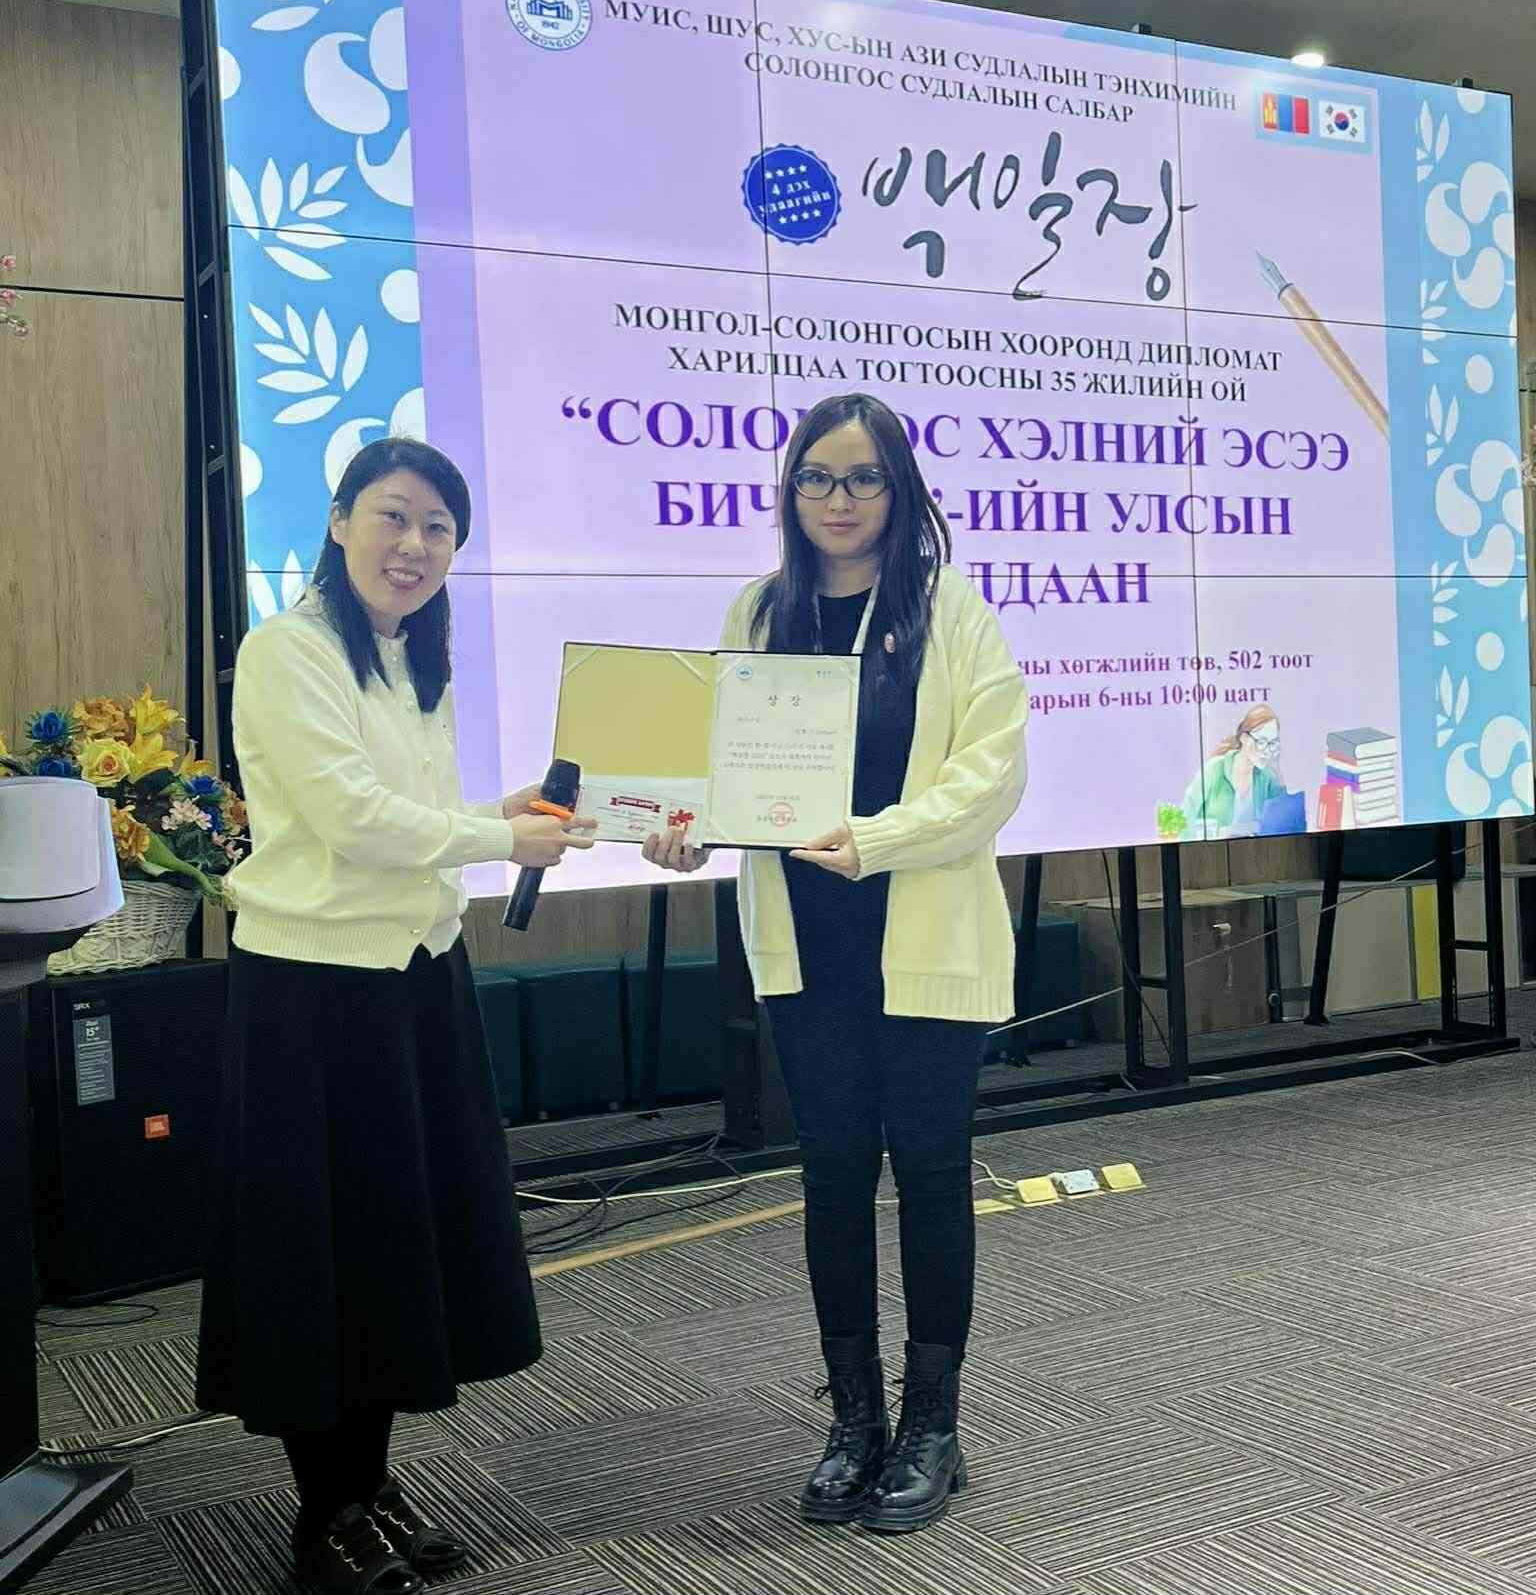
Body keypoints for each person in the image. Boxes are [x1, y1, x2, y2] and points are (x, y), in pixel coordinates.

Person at [196, 438, 594, 1594]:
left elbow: (408, 811)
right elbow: (351, 819)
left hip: (413, 980)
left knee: (387, 1250)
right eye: (393, 516)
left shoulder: (412, 656)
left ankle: (365, 1488)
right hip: (314, 995)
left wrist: (501, 810)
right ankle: (323, 1515)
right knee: (320, 1260)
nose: (414, 545)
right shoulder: (287, 651)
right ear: (338, 521)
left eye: (438, 528)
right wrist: (498, 838)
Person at [644, 392, 1028, 1534]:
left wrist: (877, 840)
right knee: (832, 1177)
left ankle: (934, 1428)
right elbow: (718, 766)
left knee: (933, 1173)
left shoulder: (952, 611)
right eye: (817, 477)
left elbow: (991, 777)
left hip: (925, 936)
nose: (839, 500)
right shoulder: (762, 611)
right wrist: (684, 825)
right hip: (808, 946)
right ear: (791, 489)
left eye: (863, 478)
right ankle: (855, 1420)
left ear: (899, 489)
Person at [1182, 704, 1285, 837]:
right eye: (1261, 742)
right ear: (1244, 738)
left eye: (1272, 743)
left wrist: (1276, 767)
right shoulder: (1213, 770)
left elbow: (1283, 821)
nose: (1267, 750)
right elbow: (1184, 819)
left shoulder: (1268, 778)